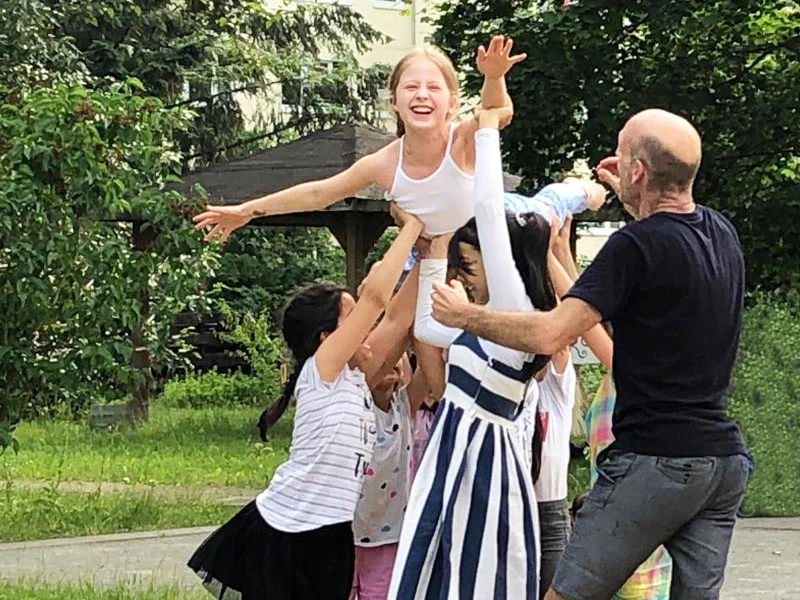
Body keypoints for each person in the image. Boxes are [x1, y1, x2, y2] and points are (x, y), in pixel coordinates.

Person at [430, 108, 751, 600]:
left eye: (622, 156)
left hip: (656, 459)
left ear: (639, 170)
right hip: (721, 463)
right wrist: (631, 191)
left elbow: (548, 335)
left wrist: (463, 316)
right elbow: (656, 265)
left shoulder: (635, 246)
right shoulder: (721, 234)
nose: (615, 163)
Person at [187, 208, 423, 600]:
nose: (368, 334)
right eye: (354, 324)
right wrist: (413, 225)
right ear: (327, 337)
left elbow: (397, 318)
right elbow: (378, 298)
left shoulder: (355, 378)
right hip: (285, 532)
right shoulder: (323, 370)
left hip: (332, 535)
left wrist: (430, 254)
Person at [388, 105, 557, 600]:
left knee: (480, 575)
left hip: (481, 455)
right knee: (443, 572)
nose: (471, 273)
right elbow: (427, 326)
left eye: (473, 262)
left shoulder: (514, 306)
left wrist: (485, 130)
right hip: (456, 449)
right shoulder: (480, 317)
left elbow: (487, 206)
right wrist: (435, 250)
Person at [193, 37, 524, 243]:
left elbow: (496, 111)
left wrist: (494, 77)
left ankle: (574, 189)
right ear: (394, 102)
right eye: (411, 87)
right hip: (432, 256)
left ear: (451, 103)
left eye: (433, 88)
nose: (422, 95)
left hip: (494, 243)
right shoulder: (384, 163)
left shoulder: (463, 139)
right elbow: (319, 192)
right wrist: (248, 211)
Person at [351, 350, 430, 600]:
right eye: (386, 354)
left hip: (388, 536)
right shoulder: (352, 407)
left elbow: (429, 360)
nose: (393, 360)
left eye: (399, 355)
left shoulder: (405, 406)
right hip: (344, 535)